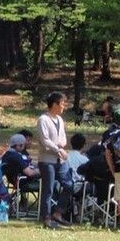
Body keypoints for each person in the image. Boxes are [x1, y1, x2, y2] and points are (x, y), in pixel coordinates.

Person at [37, 91, 72, 228]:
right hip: (47, 160)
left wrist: (60, 146)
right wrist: (58, 149)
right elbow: (44, 140)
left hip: (60, 160)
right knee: (48, 189)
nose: (64, 106)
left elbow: (62, 138)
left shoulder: (60, 120)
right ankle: (46, 218)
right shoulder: (43, 120)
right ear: (54, 104)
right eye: (62, 104)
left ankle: (58, 213)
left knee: (68, 184)